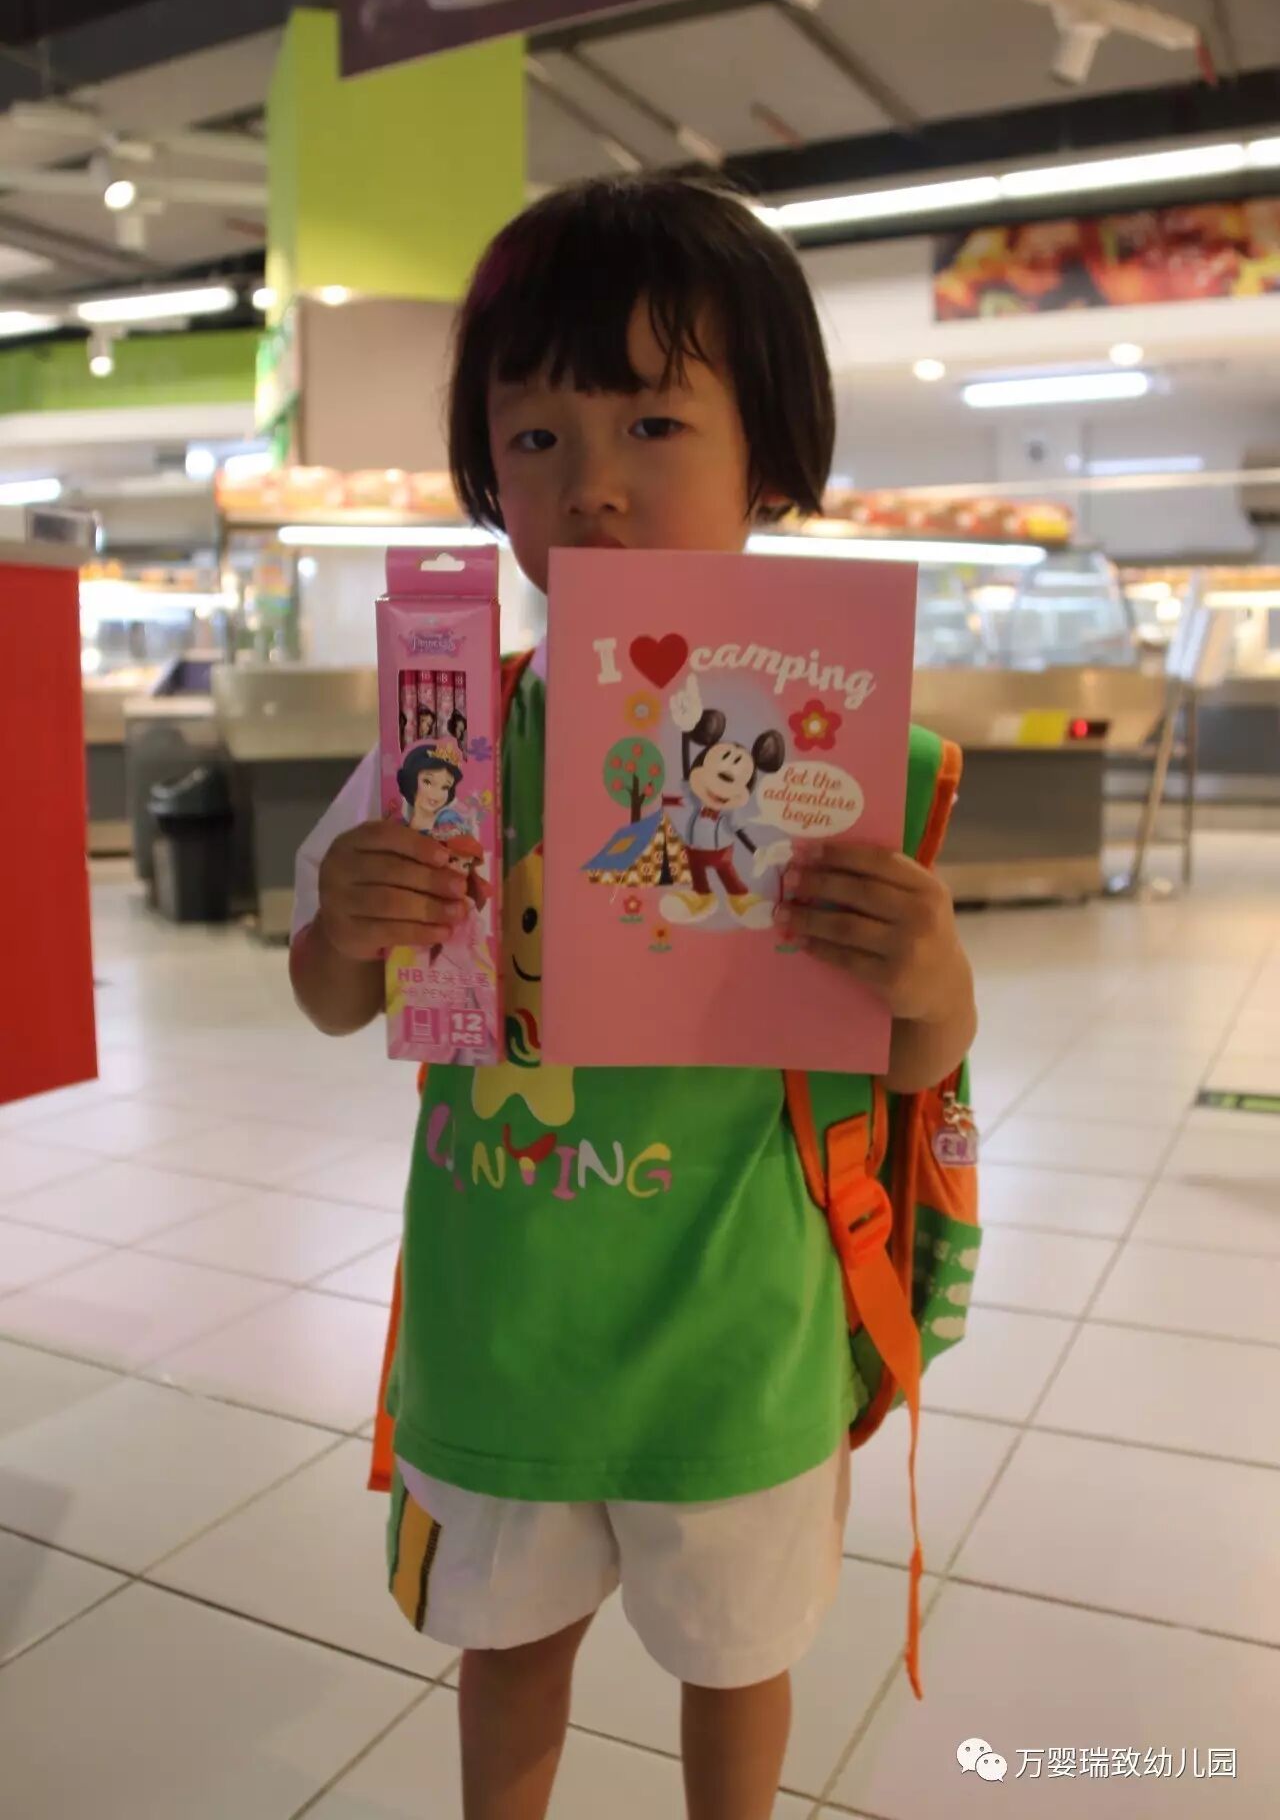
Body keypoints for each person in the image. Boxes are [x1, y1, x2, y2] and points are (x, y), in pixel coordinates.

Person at [290, 174, 977, 1820]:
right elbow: (331, 997)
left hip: (736, 1327)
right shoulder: (445, 733)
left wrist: (932, 979)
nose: (588, 485)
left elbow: (917, 1061)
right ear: (488, 469)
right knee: (507, 1650)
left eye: (655, 424)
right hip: (504, 1319)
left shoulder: (848, 747)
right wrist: (345, 925)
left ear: (773, 456)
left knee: (736, 1661)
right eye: (535, 437)